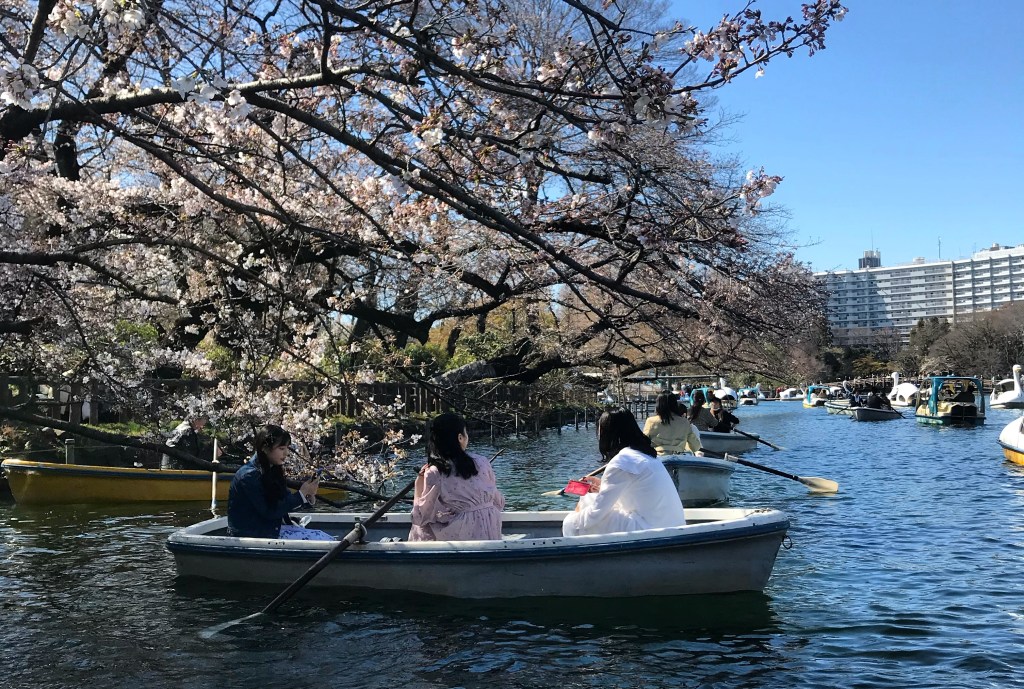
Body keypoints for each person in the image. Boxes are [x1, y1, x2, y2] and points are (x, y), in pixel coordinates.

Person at [562, 407, 686, 537]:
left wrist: (573, 521)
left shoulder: (621, 462)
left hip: (649, 529)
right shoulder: (646, 455)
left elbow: (596, 512)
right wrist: (601, 485)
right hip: (670, 525)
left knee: (574, 518)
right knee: (589, 500)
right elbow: (634, 492)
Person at [409, 412, 505, 541]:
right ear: (460, 437)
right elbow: (498, 502)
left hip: (463, 531)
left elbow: (421, 516)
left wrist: (419, 483)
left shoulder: (436, 471)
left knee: (421, 528)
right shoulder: (482, 461)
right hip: (491, 524)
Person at [226, 424, 319, 538]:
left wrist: (308, 496)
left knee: (322, 536)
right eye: (281, 449)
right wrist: (301, 495)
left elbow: (284, 500)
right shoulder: (249, 476)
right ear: (265, 448)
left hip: (269, 530)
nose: (286, 453)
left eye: (287, 448)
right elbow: (269, 511)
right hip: (251, 535)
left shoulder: (272, 469)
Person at [642, 391, 702, 456]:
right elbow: (695, 447)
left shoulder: (651, 421)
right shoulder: (684, 422)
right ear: (675, 404)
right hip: (678, 458)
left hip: (657, 458)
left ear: (658, 404)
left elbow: (642, 443)